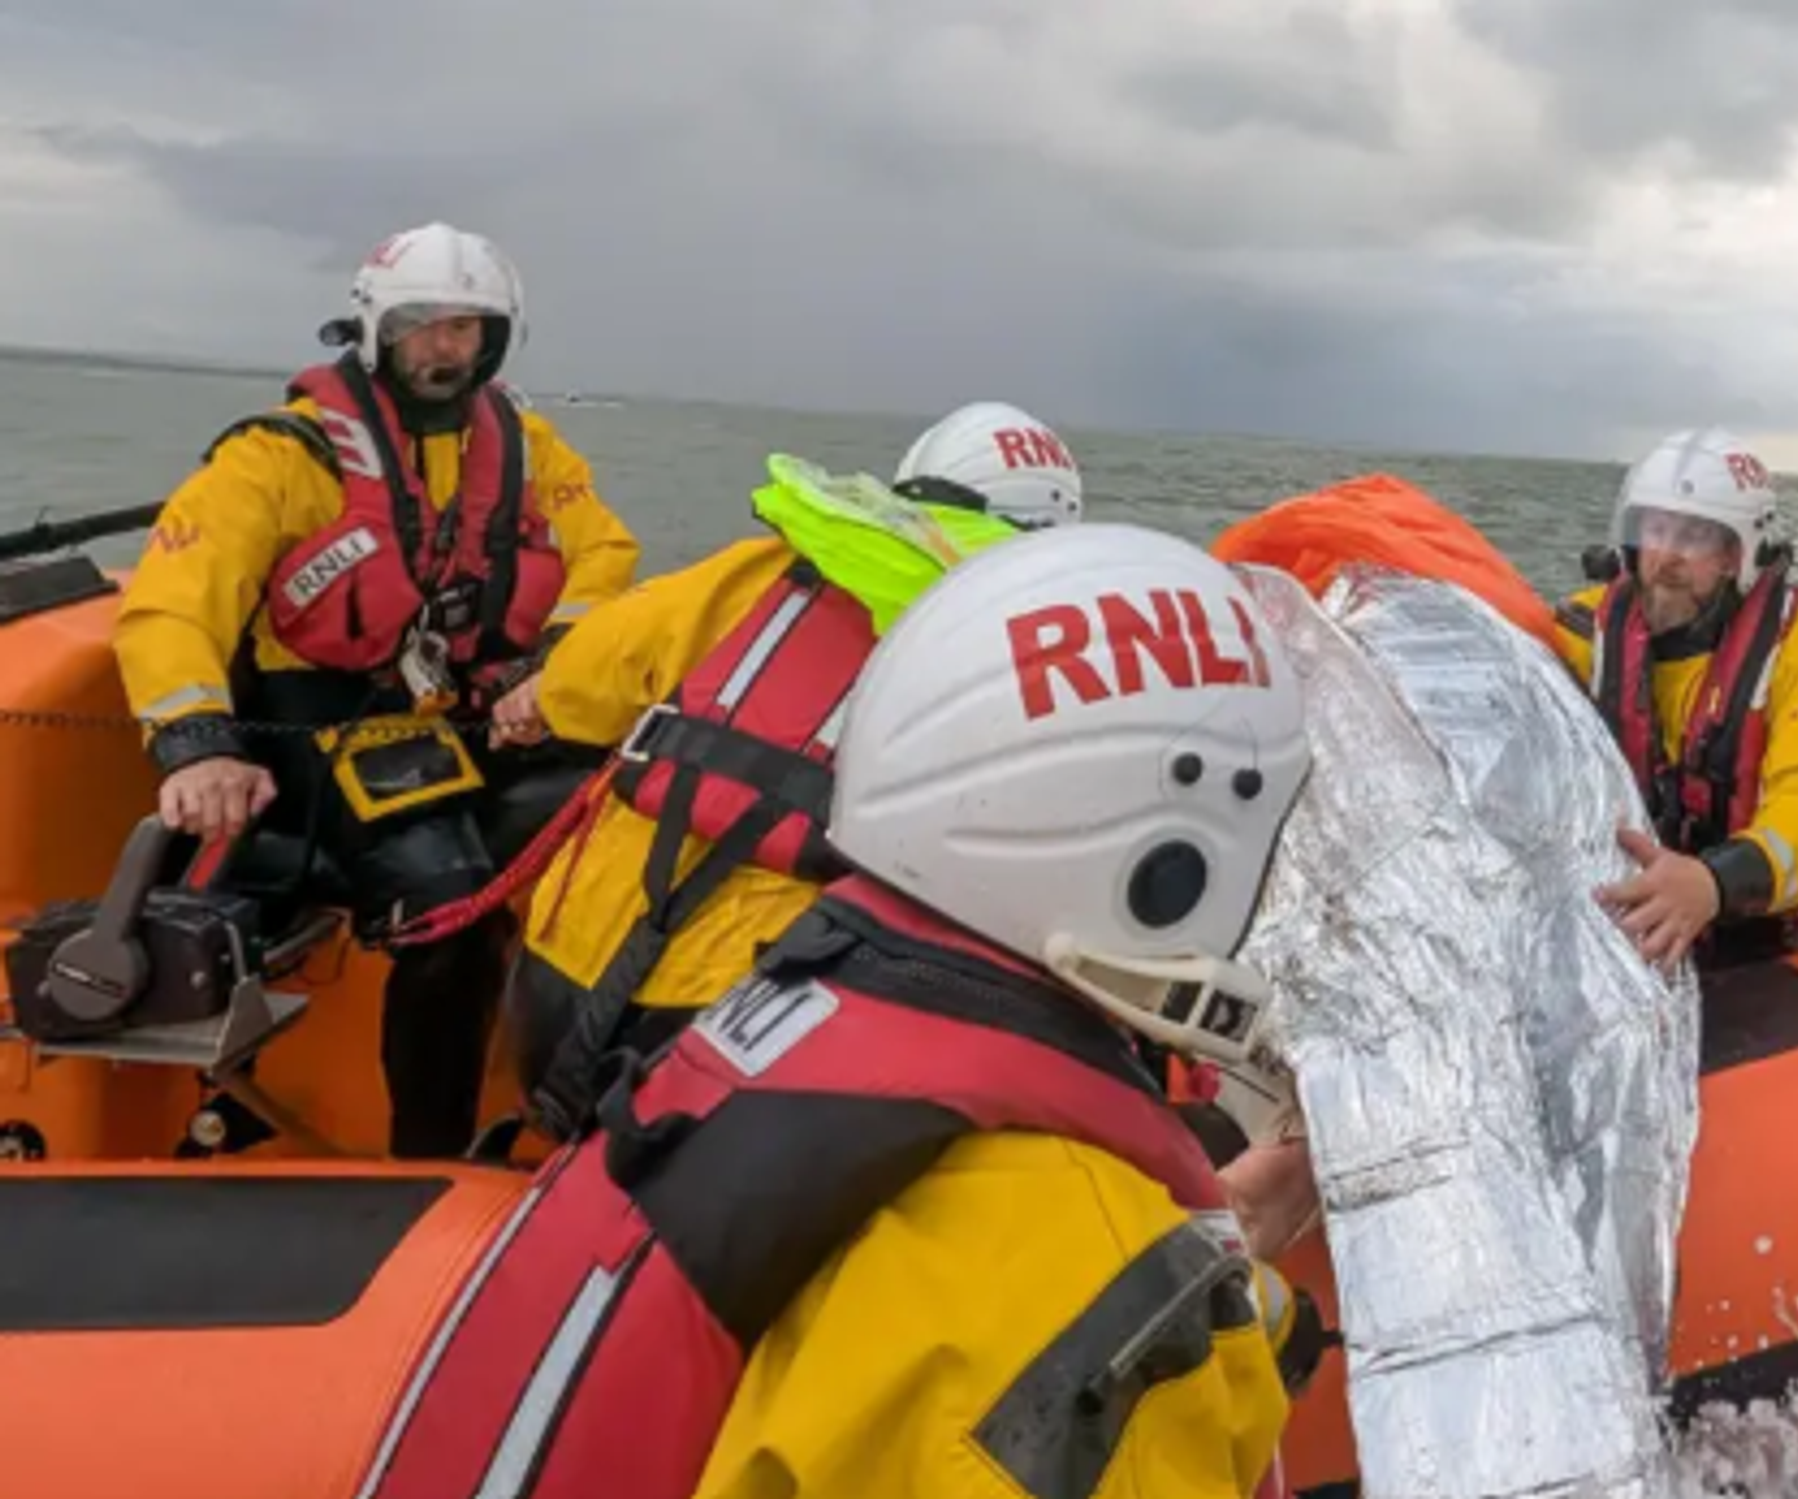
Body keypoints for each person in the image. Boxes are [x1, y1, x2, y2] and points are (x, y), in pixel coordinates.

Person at [352, 520, 1321, 1499]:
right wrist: (1241, 1312)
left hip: (567, 1029)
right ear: (1171, 869)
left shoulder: (811, 987)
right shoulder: (1076, 1254)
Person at [110, 220, 641, 1157]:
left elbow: (602, 552)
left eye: (467, 328)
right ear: (375, 329)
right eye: (424, 324)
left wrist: (556, 660)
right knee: (453, 912)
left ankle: (609, 1109)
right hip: (319, 723)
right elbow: (171, 603)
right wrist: (196, 741)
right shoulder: (281, 457)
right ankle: (428, 1161)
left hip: (469, 710)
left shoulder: (522, 447)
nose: (446, 347)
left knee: (645, 800)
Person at [499, 400, 1087, 1139]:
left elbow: (591, 670)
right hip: (727, 1029)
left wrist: (537, 698)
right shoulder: (1017, 651)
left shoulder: (760, 570)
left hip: (552, 978)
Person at [1551, 427, 1798, 969]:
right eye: (1655, 529)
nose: (1667, 556)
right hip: (1608, 916)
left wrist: (1713, 884)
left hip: (1737, 930)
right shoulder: (1583, 631)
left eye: (1694, 537)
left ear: (1734, 556)